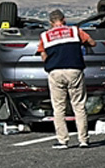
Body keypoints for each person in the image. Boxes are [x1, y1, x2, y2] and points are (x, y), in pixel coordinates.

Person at [37, 9, 96, 149]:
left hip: (55, 71)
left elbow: (43, 54)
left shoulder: (45, 36)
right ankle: (83, 139)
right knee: (79, 105)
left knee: (58, 108)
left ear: (51, 23)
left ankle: (63, 140)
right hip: (74, 70)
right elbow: (92, 42)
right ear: (64, 20)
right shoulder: (75, 31)